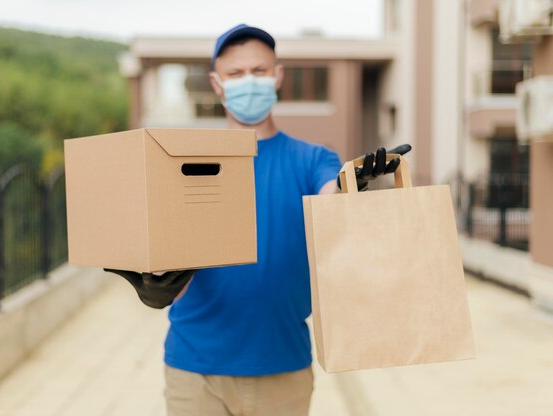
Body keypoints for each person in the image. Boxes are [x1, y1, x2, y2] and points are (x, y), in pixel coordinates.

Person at [106, 24, 410, 416]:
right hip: (195, 371)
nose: (248, 82)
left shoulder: (313, 159)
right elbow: (162, 243)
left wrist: (350, 186)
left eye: (259, 71)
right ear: (217, 84)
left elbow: (328, 193)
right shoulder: (187, 162)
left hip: (284, 369)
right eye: (235, 74)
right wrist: (153, 280)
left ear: (278, 76)